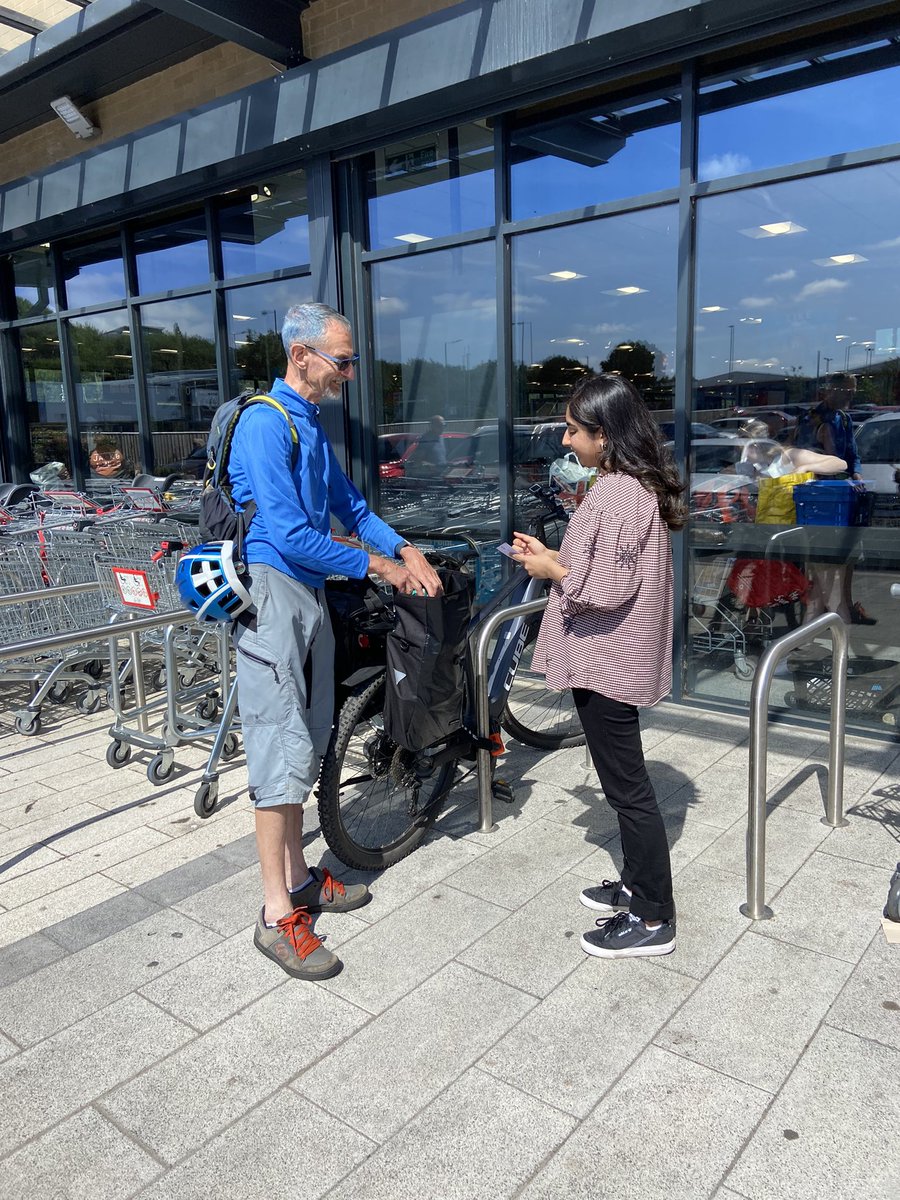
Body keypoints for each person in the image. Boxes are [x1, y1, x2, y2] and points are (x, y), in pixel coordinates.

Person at [227, 301, 442, 981]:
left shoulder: (308, 423)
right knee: (276, 748)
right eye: (343, 361)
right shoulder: (266, 424)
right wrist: (378, 566)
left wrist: (404, 548)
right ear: (302, 355)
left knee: (308, 737)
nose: (350, 374)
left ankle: (298, 882)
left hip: (309, 598)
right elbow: (289, 534)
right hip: (273, 597)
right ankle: (274, 917)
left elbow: (350, 508)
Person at [511, 374, 686, 959]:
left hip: (607, 657)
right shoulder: (633, 488)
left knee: (627, 790)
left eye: (572, 430)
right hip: (617, 653)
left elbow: (607, 586)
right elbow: (613, 571)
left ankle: (654, 917)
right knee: (624, 785)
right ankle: (638, 886)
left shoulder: (614, 495)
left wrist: (550, 571)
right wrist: (555, 557)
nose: (565, 442)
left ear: (604, 436)